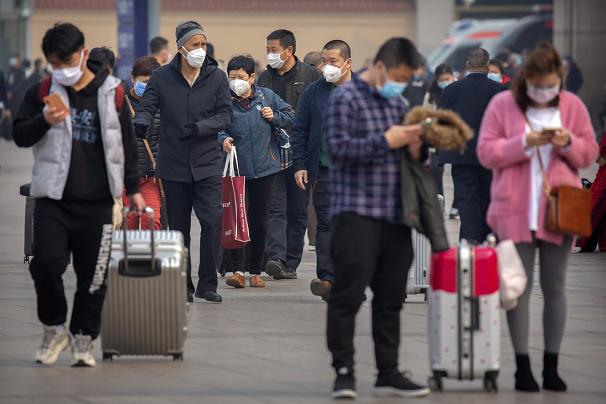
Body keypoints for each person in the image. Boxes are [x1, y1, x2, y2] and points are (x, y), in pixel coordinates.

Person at [12, 22, 144, 367]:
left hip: (98, 203)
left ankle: (83, 339)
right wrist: (44, 119)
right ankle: (54, 327)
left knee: (93, 278)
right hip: (53, 200)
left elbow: (127, 144)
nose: (62, 70)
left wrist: (133, 189)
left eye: (67, 60)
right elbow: (19, 135)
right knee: (45, 265)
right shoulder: (42, 90)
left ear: (83, 54)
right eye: (55, 64)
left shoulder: (113, 93)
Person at [478, 42, 598, 392]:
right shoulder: (503, 104)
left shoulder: (572, 106)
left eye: (551, 86)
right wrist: (524, 142)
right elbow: (486, 151)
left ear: (559, 82)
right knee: (519, 288)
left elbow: (589, 151)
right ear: (525, 79)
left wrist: (566, 142)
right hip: (514, 211)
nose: (544, 92)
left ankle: (551, 365)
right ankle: (522, 367)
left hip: (558, 211)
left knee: (555, 286)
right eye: (538, 86)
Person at [324, 37, 431, 399]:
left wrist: (416, 146)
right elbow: (338, 149)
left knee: (391, 298)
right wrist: (388, 140)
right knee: (348, 295)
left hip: (396, 215)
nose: (402, 84)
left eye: (408, 78)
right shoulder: (345, 98)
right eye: (399, 76)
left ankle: (389, 370)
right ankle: (344, 371)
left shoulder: (399, 103)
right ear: (381, 67)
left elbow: (410, 158)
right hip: (356, 212)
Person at [135, 20, 232, 304]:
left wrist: (200, 128)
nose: (200, 50)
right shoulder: (162, 77)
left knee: (212, 221)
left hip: (207, 163)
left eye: (203, 44)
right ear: (181, 48)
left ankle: (207, 284)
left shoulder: (217, 77)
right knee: (177, 229)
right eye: (195, 45)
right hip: (175, 164)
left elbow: (226, 115)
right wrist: (140, 122)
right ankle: (182, 285)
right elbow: (148, 104)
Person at [219, 55, 294, 288]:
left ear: (252, 77)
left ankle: (255, 271)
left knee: (259, 221)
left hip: (265, 169)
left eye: (241, 77)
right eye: (232, 78)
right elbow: (217, 126)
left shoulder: (266, 96)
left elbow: (291, 116)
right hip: (237, 170)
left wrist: (275, 117)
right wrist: (223, 139)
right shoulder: (224, 101)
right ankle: (237, 270)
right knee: (238, 218)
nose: (236, 82)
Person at [257, 29, 322, 280]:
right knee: (275, 208)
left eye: (273, 50)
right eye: (268, 50)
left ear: (289, 50)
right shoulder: (264, 78)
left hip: (300, 156)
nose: (270, 54)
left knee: (297, 210)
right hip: (272, 155)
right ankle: (275, 257)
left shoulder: (311, 75)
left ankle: (290, 263)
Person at [292, 40, 353, 300]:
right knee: (326, 224)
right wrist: (300, 164)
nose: (327, 67)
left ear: (348, 63)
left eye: (334, 62)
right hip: (325, 171)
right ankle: (326, 278)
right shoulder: (315, 91)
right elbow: (300, 129)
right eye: (324, 61)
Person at [437, 48, 505, 243]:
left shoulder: (451, 90)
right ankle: (485, 241)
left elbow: (441, 123)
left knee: (467, 202)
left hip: (461, 156)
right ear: (487, 67)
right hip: (491, 158)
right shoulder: (499, 91)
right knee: (488, 200)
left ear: (467, 66)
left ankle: (469, 241)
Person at [122, 56, 163, 230]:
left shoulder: (164, 105)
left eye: (151, 82)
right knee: (127, 224)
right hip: (125, 178)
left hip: (151, 179)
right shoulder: (121, 105)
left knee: (152, 222)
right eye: (144, 81)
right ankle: (127, 258)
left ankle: (150, 258)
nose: (147, 86)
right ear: (133, 78)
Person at [422, 63, 456, 202]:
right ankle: (439, 200)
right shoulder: (431, 94)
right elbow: (425, 114)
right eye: (441, 80)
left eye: (447, 79)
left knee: (457, 171)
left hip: (454, 136)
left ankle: (456, 205)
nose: (444, 82)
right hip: (436, 137)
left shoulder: (458, 88)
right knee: (436, 170)